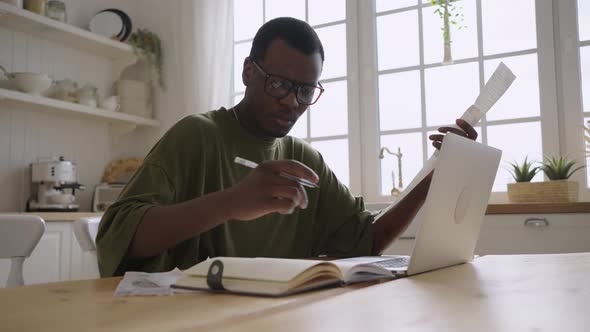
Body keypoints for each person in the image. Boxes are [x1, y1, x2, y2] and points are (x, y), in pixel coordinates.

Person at [96, 17, 477, 277]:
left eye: (305, 90)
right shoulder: (196, 136)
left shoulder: (303, 159)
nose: (292, 102)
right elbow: (117, 238)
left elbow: (367, 241)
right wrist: (231, 202)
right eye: (279, 84)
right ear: (248, 72)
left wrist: (436, 175)